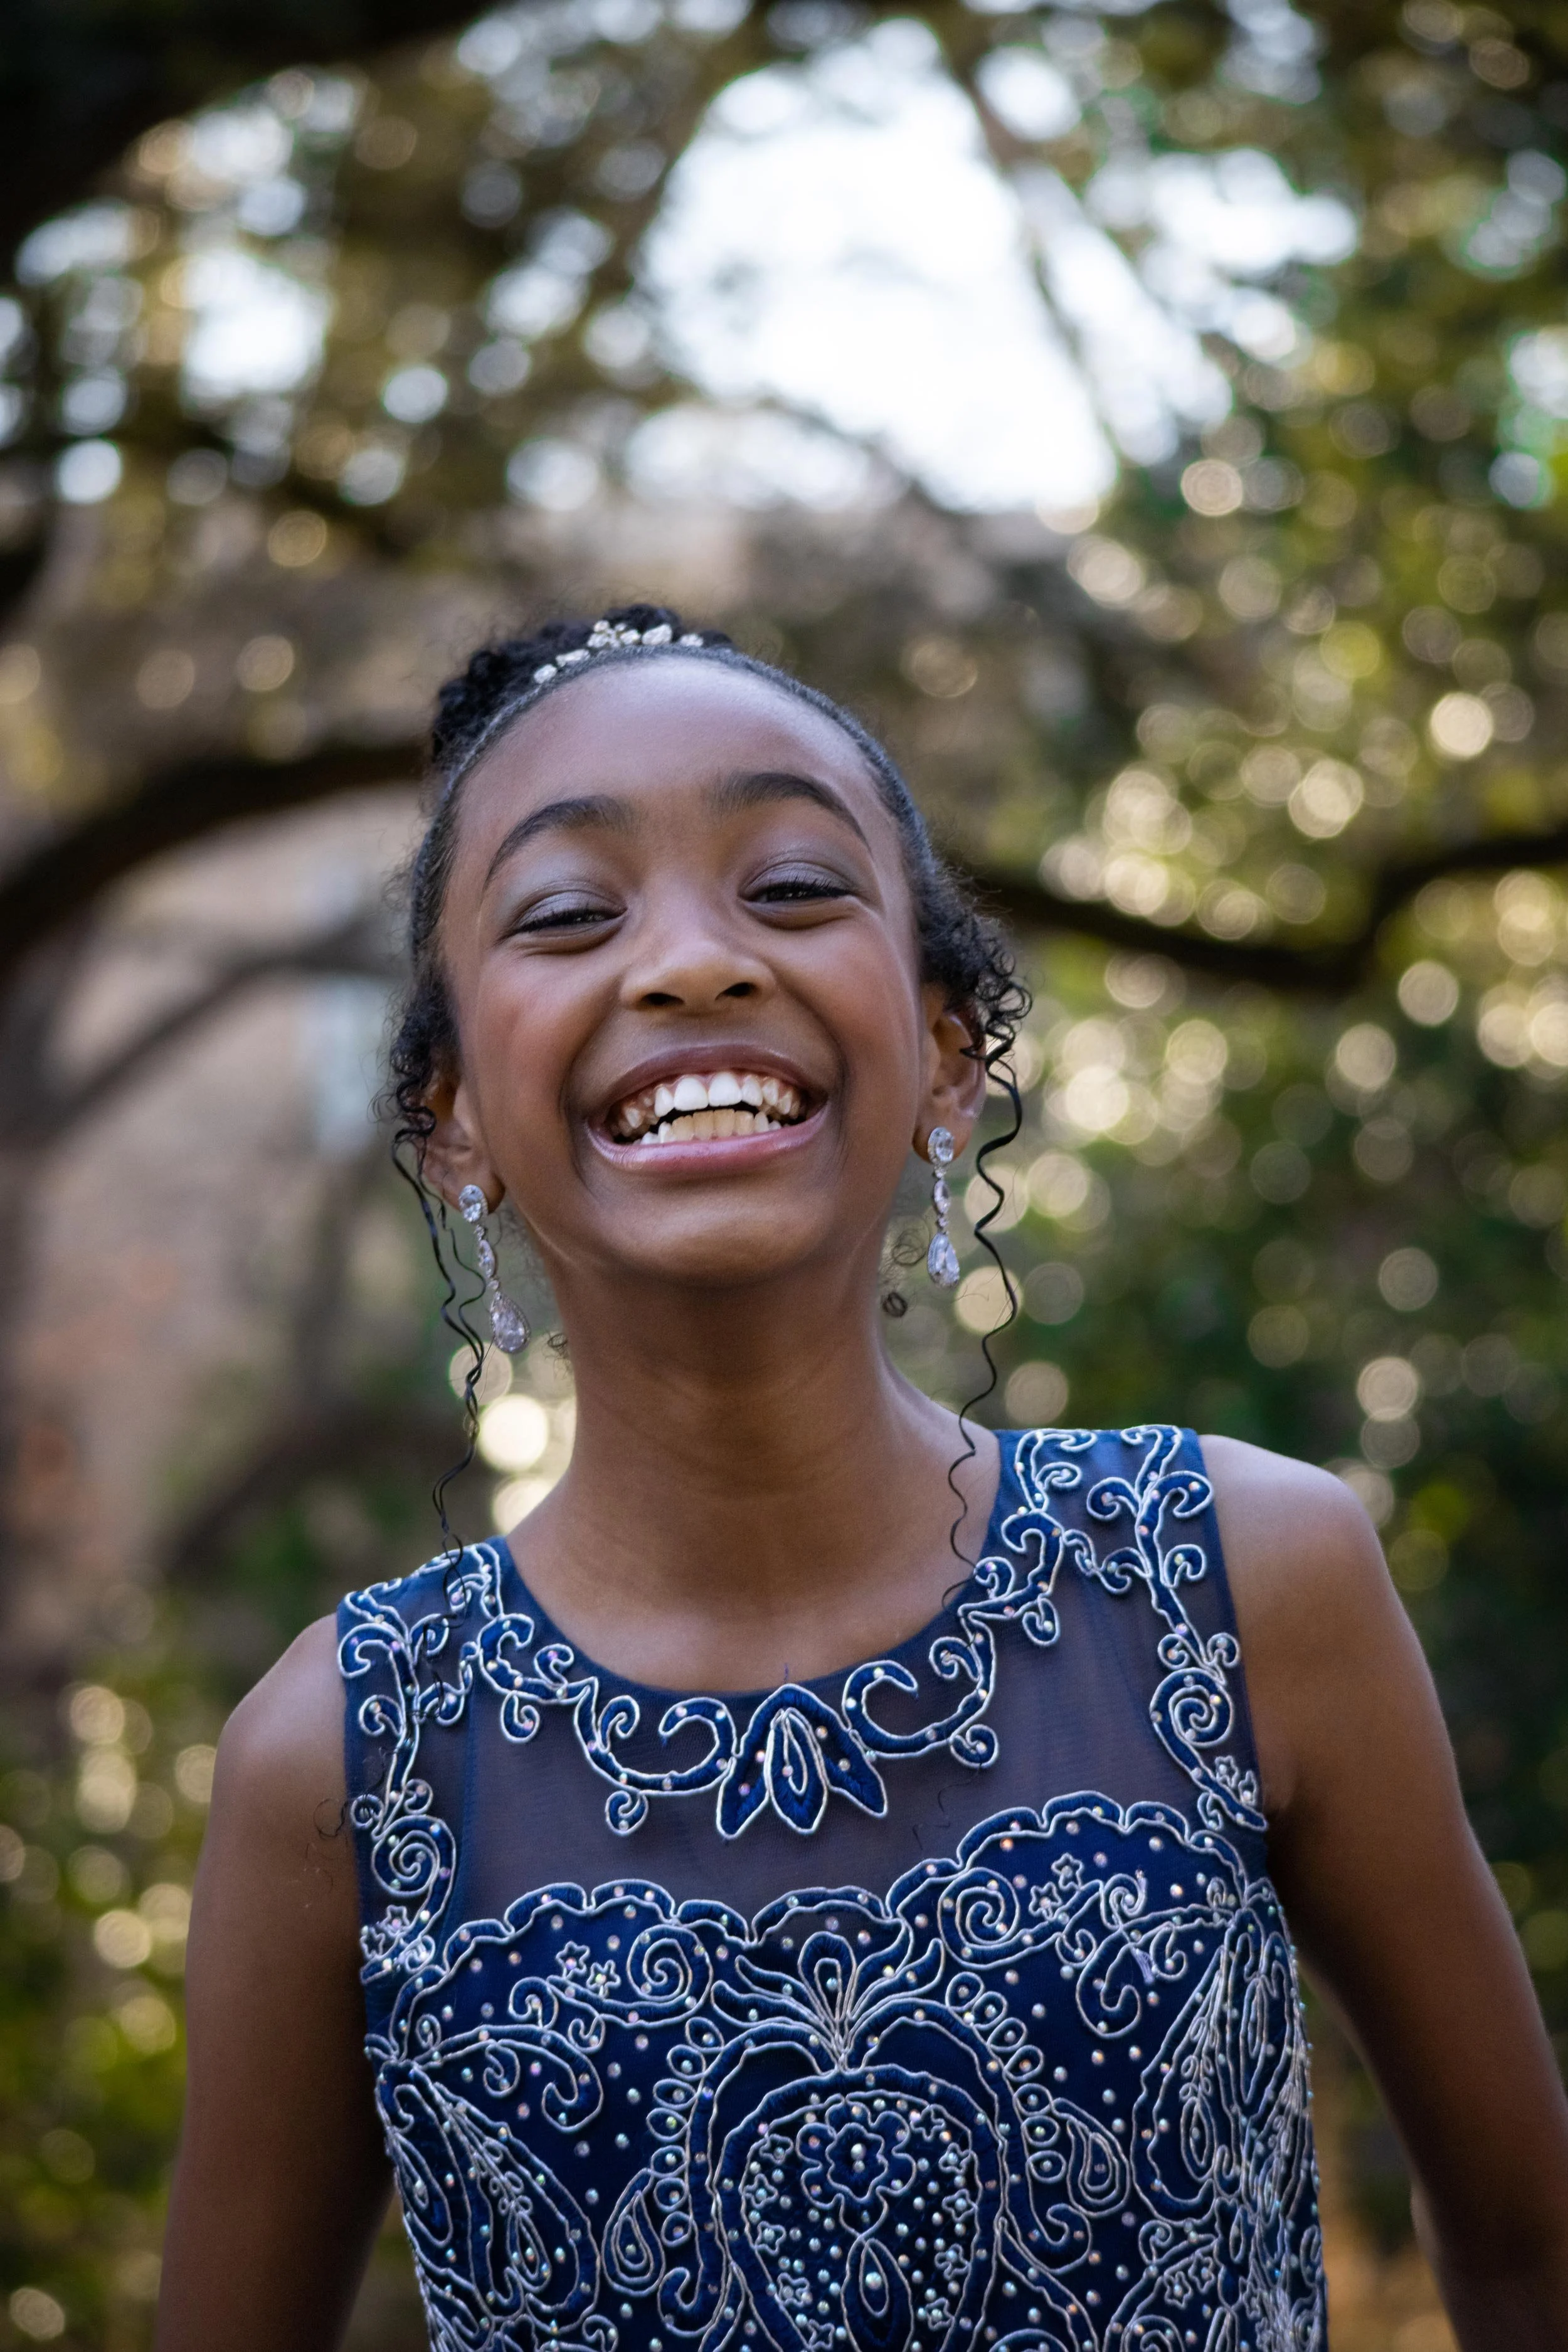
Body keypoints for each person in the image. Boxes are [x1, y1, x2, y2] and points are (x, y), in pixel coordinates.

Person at [156, 607, 1568, 2352]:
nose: (688, 962)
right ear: (450, 1113)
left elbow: (1528, 2252)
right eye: (568, 913)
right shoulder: (343, 1759)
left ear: (948, 1049)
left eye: (796, 888)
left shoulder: (1246, 1575)